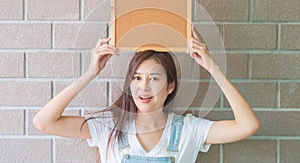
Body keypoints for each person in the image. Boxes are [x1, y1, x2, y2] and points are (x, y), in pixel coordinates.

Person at [33, 30, 260, 163]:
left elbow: (248, 126)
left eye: (154, 78)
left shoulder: (189, 130)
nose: (144, 87)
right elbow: (44, 122)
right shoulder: (109, 127)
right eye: (137, 78)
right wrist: (91, 72)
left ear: (171, 86)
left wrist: (212, 67)